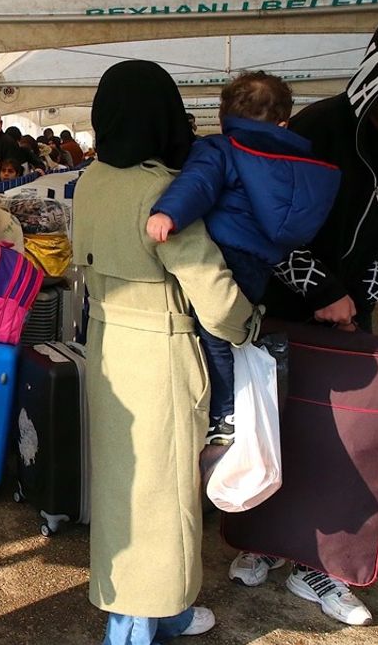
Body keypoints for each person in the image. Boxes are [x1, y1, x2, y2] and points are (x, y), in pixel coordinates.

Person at [236, 14, 378, 626]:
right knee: (271, 427)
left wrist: (356, 302)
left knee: (339, 442)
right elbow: (268, 221)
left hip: (348, 321)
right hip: (282, 310)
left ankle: (319, 566)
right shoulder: (317, 129)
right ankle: (262, 541)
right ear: (376, 78)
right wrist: (324, 291)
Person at [72, 60, 258, 645]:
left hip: (107, 349)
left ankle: (157, 610)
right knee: (162, 493)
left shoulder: (92, 180)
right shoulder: (161, 191)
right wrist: (248, 325)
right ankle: (136, 626)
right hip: (161, 351)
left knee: (122, 487)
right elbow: (212, 291)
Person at [145, 72, 340, 444]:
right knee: (233, 330)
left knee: (212, 331)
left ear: (224, 117)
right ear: (283, 122)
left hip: (222, 252)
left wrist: (168, 213)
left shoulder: (220, 148)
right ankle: (247, 388)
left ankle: (225, 412)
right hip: (262, 263)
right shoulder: (296, 161)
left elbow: (198, 183)